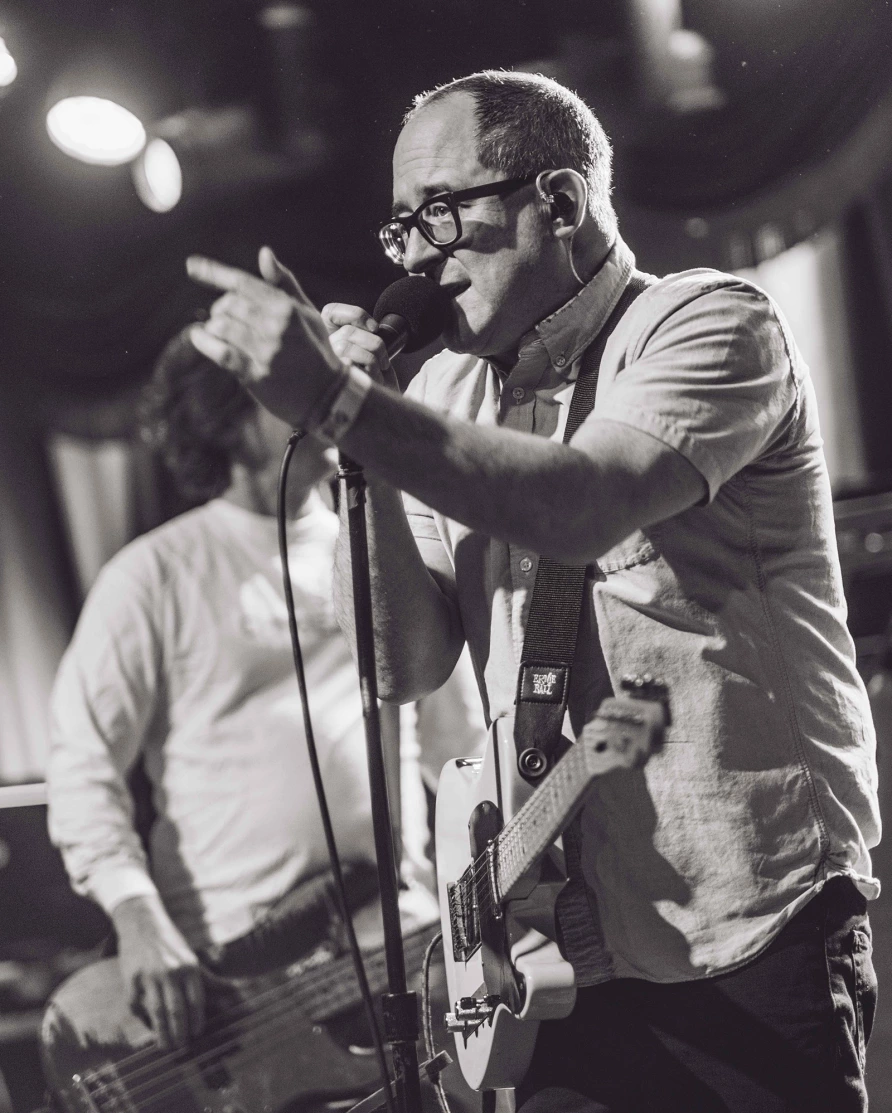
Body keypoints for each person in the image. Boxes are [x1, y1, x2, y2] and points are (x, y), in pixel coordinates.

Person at [186, 70, 880, 1113]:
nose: (415, 252)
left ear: (555, 202)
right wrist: (350, 441)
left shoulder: (705, 324)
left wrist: (345, 403)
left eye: (438, 211)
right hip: (555, 946)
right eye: (398, 227)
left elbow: (582, 504)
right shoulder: (444, 395)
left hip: (746, 923)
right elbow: (401, 663)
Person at [45, 329, 447, 1058]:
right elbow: (83, 767)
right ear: (229, 415)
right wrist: (137, 917)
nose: (322, 398)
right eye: (289, 383)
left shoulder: (379, 545)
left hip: (394, 930)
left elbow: (457, 734)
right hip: (233, 972)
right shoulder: (153, 575)